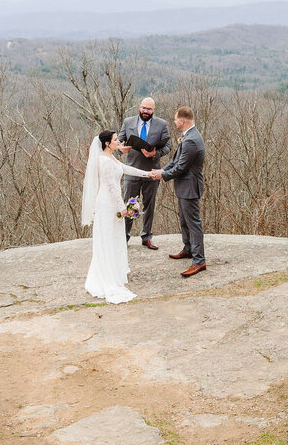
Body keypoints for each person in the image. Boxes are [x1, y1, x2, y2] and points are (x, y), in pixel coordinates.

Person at [81, 130, 158, 303]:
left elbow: (126, 168)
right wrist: (122, 207)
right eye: (116, 140)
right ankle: (107, 276)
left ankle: (113, 270)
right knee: (107, 237)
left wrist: (147, 174)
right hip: (107, 203)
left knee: (114, 237)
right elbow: (111, 186)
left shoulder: (112, 158)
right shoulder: (104, 161)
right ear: (107, 143)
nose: (119, 141)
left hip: (112, 202)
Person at [152, 106, 207, 277]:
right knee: (184, 221)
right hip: (184, 187)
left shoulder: (191, 140)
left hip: (189, 188)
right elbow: (175, 160)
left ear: (182, 121)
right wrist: (161, 171)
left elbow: (181, 167)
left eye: (175, 119)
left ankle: (199, 261)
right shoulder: (188, 136)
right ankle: (188, 249)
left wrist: (163, 175)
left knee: (193, 224)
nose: (174, 122)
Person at [118, 97, 172, 250]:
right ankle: (124, 237)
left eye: (149, 109)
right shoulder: (128, 122)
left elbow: (168, 146)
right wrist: (121, 148)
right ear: (139, 107)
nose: (145, 111)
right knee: (129, 204)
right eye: (143, 108)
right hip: (132, 170)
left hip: (151, 171)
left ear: (154, 110)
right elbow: (119, 141)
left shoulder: (162, 124)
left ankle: (146, 236)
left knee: (149, 204)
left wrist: (155, 154)